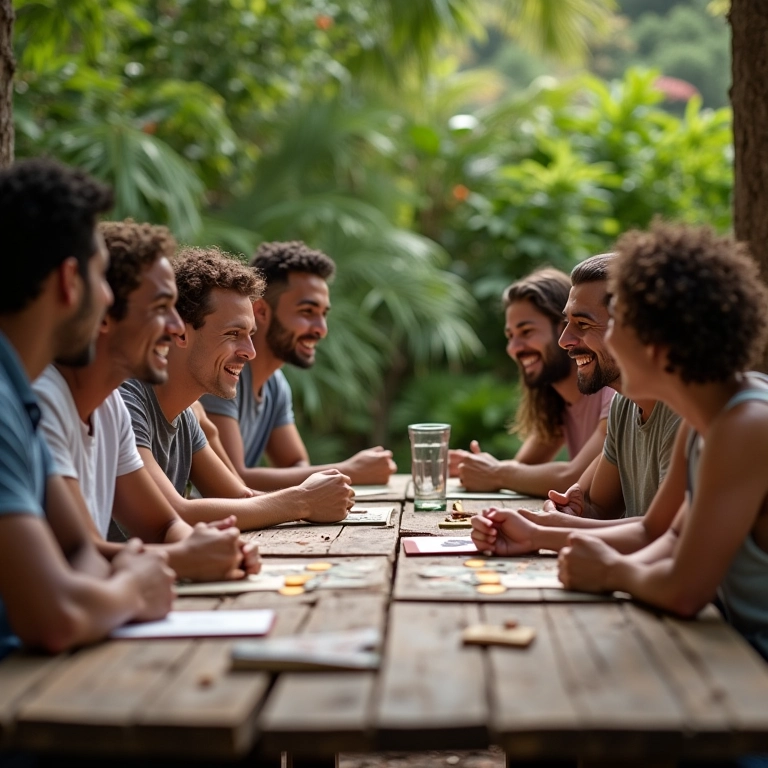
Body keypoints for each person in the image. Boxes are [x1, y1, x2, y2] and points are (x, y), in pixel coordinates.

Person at [555, 222, 768, 662]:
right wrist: (545, 535)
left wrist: (609, 571)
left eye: (620, 325)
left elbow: (685, 591)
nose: (609, 340)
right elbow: (664, 535)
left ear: (656, 343)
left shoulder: (746, 425)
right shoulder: (708, 418)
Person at [0, 158, 174, 659]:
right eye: (103, 278)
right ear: (68, 281)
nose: (107, 299)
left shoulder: (17, 397)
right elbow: (58, 616)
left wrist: (105, 585)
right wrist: (133, 587)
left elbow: (81, 552)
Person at [33, 220, 259, 581]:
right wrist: (183, 559)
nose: (175, 326)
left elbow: (164, 524)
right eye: (160, 307)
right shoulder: (43, 401)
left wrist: (205, 550)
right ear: (105, 312)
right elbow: (78, 555)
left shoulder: (108, 408)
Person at [120, 246, 354, 529]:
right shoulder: (126, 398)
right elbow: (171, 512)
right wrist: (302, 501)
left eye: (250, 335)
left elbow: (240, 496)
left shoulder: (186, 416)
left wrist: (313, 499)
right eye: (233, 334)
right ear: (179, 331)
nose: (250, 352)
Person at [471, 252, 684, 557]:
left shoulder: (685, 412)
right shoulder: (625, 404)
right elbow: (594, 505)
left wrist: (543, 532)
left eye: (583, 324)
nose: (565, 340)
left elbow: (664, 533)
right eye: (567, 322)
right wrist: (564, 515)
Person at [201, 240, 396, 491]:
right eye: (307, 311)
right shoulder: (226, 371)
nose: (321, 329)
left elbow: (295, 463)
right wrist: (350, 471)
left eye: (323, 314)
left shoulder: (275, 383)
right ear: (260, 311)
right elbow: (232, 477)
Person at [450, 268, 614, 496]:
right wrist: (481, 469)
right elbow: (524, 469)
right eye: (510, 336)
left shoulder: (612, 388)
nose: (514, 348)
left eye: (526, 331)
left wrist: (496, 473)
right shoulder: (557, 399)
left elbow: (576, 478)